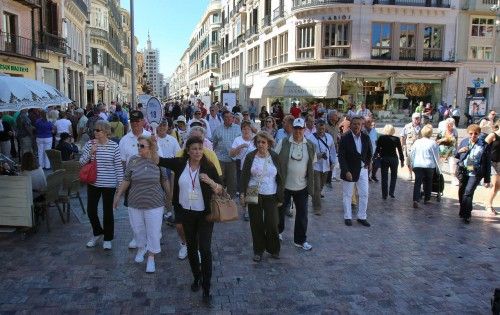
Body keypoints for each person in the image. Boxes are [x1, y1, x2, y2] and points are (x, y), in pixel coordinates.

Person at [156, 136, 223, 304]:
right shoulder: (180, 164)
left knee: (205, 249)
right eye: (194, 149)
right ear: (188, 150)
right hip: (186, 213)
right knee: (192, 249)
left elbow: (221, 189)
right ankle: (197, 277)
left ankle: (207, 287)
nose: (197, 152)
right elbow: (159, 160)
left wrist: (210, 182)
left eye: (200, 148)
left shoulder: (208, 166)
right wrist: (150, 143)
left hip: (205, 215)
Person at [113, 136, 168, 273]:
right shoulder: (133, 160)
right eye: (138, 145)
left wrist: (170, 198)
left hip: (155, 202)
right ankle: (141, 248)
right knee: (137, 229)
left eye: (142, 146)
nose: (139, 148)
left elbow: (165, 180)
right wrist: (118, 195)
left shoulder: (158, 160)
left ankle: (151, 256)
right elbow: (126, 179)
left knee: (153, 231)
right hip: (134, 202)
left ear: (150, 147)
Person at [241, 131, 284, 262]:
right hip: (254, 191)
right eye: (258, 142)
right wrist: (242, 194)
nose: (260, 144)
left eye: (263, 142)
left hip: (271, 193)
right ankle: (258, 250)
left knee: (272, 223)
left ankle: (274, 249)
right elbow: (244, 176)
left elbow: (281, 177)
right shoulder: (250, 157)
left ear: (269, 144)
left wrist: (280, 197)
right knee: (256, 223)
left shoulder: (275, 157)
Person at [80, 120, 123, 249]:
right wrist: (91, 152)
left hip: (109, 184)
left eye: (98, 130)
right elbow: (81, 163)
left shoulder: (114, 146)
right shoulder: (89, 144)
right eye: (94, 130)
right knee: (91, 211)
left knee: (108, 211)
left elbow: (118, 167)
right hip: (93, 183)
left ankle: (108, 238)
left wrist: (120, 186)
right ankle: (97, 232)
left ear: (105, 132)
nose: (95, 132)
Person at [275, 117, 315, 250]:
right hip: (284, 185)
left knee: (302, 215)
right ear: (292, 129)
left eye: (300, 129)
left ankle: (300, 240)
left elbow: (311, 165)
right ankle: (278, 233)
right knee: (280, 212)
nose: (298, 131)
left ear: (304, 129)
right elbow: (274, 158)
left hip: (302, 186)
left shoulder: (310, 145)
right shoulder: (284, 142)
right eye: (296, 128)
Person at [338, 116, 373, 227]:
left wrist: (368, 162)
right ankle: (347, 216)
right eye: (354, 124)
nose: (357, 126)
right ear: (350, 125)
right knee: (347, 195)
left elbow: (369, 151)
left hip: (363, 170)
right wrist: (346, 171)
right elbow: (341, 157)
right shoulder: (345, 138)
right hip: (350, 170)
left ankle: (362, 217)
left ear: (362, 125)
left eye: (359, 124)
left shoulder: (365, 137)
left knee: (364, 194)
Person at [456, 124, 491, 223]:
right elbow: (457, 155)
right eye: (471, 133)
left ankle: (466, 215)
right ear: (468, 133)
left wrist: (487, 179)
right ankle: (465, 210)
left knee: (468, 192)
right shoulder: (464, 142)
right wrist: (460, 151)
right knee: (462, 191)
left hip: (476, 172)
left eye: (476, 134)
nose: (473, 136)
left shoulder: (484, 145)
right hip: (464, 170)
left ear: (479, 134)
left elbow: (487, 162)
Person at [307, 119, 336, 216]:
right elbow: (308, 153)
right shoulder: (310, 138)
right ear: (316, 127)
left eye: (323, 128)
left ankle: (315, 198)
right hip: (315, 166)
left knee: (321, 186)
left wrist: (333, 162)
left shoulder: (329, 137)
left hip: (326, 166)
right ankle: (317, 207)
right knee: (316, 187)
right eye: (320, 127)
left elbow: (332, 151)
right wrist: (318, 155)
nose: (321, 130)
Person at [409, 124, 440, 209]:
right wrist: (438, 167)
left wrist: (411, 163)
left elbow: (412, 153)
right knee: (428, 182)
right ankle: (427, 198)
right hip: (429, 165)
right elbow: (436, 155)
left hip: (418, 164)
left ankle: (415, 199)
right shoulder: (433, 143)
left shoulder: (417, 142)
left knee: (417, 182)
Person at [230, 121, 256, 221]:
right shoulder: (238, 139)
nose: (246, 130)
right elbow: (231, 154)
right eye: (244, 129)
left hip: (254, 170)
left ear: (251, 129)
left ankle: (251, 210)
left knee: (253, 189)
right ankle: (245, 210)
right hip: (242, 169)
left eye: (248, 128)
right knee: (244, 191)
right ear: (241, 130)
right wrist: (240, 146)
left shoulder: (255, 139)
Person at [212, 110, 242, 198]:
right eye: (226, 117)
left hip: (232, 159)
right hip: (220, 159)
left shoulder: (237, 128)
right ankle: (219, 198)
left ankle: (230, 200)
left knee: (232, 181)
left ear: (233, 118)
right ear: (223, 118)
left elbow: (240, 141)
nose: (229, 119)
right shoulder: (218, 129)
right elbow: (214, 143)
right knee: (219, 179)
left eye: (230, 117)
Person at [375, 124, 404, 199]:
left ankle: (384, 195)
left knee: (384, 177)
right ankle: (391, 192)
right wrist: (402, 160)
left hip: (384, 158)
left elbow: (377, 149)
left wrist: (375, 157)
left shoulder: (381, 138)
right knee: (394, 176)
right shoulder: (396, 139)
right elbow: (400, 150)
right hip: (394, 159)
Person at [436, 118, 459, 185]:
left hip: (451, 151)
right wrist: (443, 139)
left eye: (451, 124)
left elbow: (456, 141)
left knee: (452, 164)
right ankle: (437, 177)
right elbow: (437, 141)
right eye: (448, 124)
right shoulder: (442, 131)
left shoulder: (455, 131)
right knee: (440, 165)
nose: (449, 126)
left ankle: (453, 178)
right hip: (442, 151)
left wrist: (457, 149)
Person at [401, 113, 423, 180]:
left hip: (420, 148)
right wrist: (402, 146)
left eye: (418, 118)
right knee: (409, 161)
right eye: (416, 118)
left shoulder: (423, 127)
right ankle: (410, 175)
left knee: (419, 162)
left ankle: (418, 175)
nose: (417, 120)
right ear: (412, 119)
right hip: (409, 147)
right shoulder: (407, 126)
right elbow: (402, 136)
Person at [485, 122, 500, 215]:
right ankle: (488, 205)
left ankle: (489, 203)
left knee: (498, 186)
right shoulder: (493, 135)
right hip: (493, 163)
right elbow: (483, 145)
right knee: (495, 185)